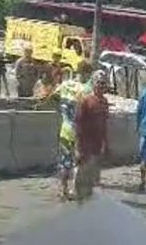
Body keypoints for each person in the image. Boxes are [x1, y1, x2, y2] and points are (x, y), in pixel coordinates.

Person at [47, 63, 93, 200]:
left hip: (65, 130)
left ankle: (63, 190)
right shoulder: (86, 90)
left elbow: (51, 97)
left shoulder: (65, 85)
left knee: (64, 161)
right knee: (79, 162)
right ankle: (74, 190)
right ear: (87, 73)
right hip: (80, 133)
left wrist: (62, 111)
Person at [75, 70, 109, 202]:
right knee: (82, 174)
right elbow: (78, 124)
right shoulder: (85, 101)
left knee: (95, 176)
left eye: (103, 84)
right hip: (85, 144)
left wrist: (106, 144)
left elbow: (105, 124)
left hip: (97, 144)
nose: (101, 86)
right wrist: (77, 147)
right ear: (93, 84)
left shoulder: (104, 102)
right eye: (99, 83)